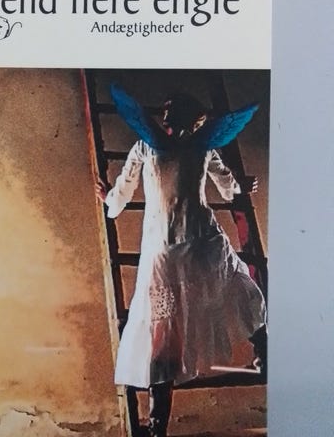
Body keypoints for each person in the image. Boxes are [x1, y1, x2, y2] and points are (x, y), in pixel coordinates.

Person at [96, 93, 267, 437]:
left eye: (170, 110)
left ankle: (158, 427)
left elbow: (227, 185)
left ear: (183, 118)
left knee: (216, 303)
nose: (165, 113)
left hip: (184, 244)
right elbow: (228, 186)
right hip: (183, 246)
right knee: (176, 330)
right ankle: (158, 425)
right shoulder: (171, 147)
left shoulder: (171, 147)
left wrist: (110, 199)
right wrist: (110, 198)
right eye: (166, 109)